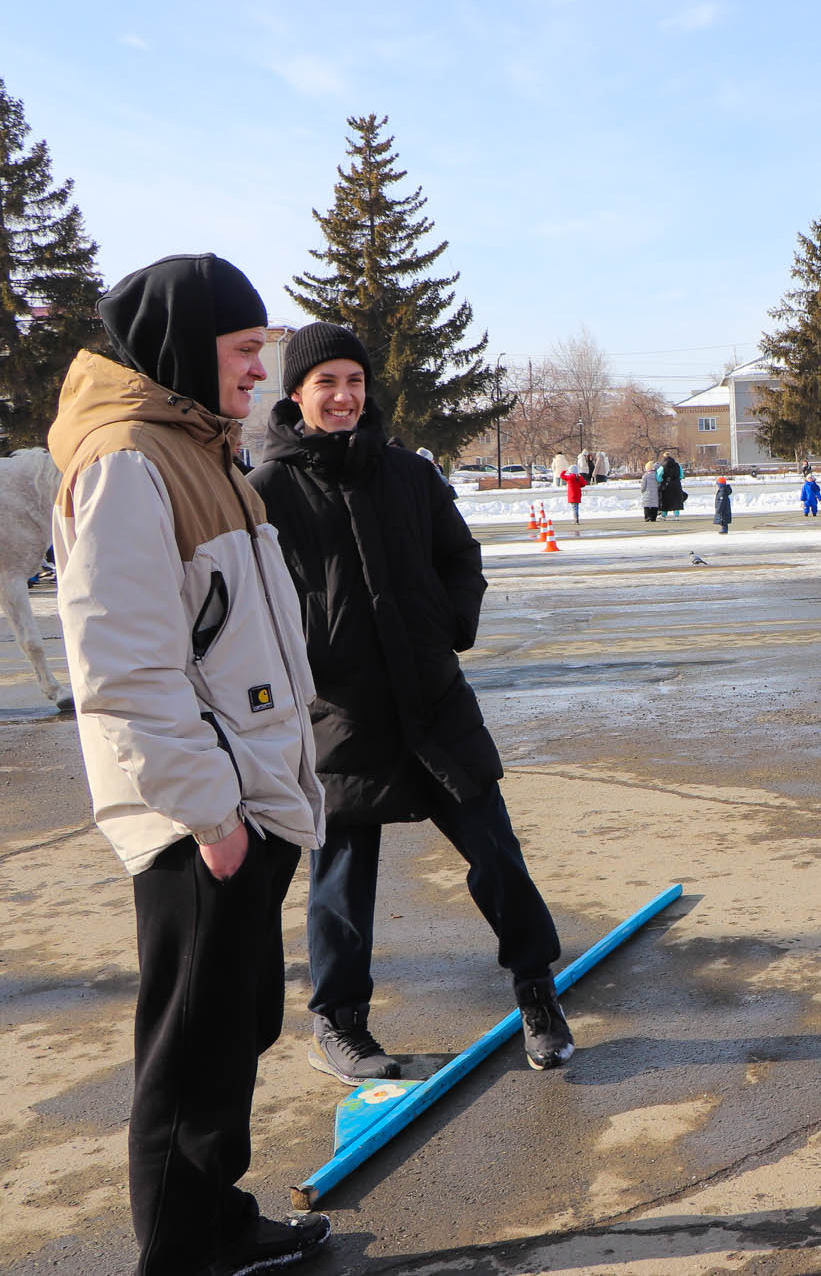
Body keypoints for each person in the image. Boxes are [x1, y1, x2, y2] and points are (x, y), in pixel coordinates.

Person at [47, 254, 332, 1274]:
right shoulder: (128, 459)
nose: (261, 369)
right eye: (246, 349)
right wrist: (212, 815)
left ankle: (217, 1220)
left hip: (242, 794)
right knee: (189, 1050)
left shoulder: (198, 447)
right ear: (185, 346)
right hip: (200, 813)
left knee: (230, 1028)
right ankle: (178, 1254)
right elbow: (125, 669)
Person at [248, 321, 574, 1086]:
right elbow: (254, 600)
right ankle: (339, 1020)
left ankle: (536, 990)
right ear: (297, 394)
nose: (344, 395)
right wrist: (307, 656)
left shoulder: (409, 474)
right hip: (341, 712)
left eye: (354, 381)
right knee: (341, 879)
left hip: (433, 700)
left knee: (497, 855)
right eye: (327, 382)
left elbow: (460, 556)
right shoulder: (267, 490)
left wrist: (449, 623)